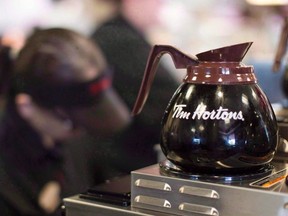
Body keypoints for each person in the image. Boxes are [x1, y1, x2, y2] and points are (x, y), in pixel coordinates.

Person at [0, 28, 130, 216]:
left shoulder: (73, 138)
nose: (81, 132)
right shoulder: (8, 182)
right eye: (73, 123)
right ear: (26, 106)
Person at [90, 0, 179, 172]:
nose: (161, 3)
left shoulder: (116, 33)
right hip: (127, 166)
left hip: (122, 161)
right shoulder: (121, 41)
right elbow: (171, 106)